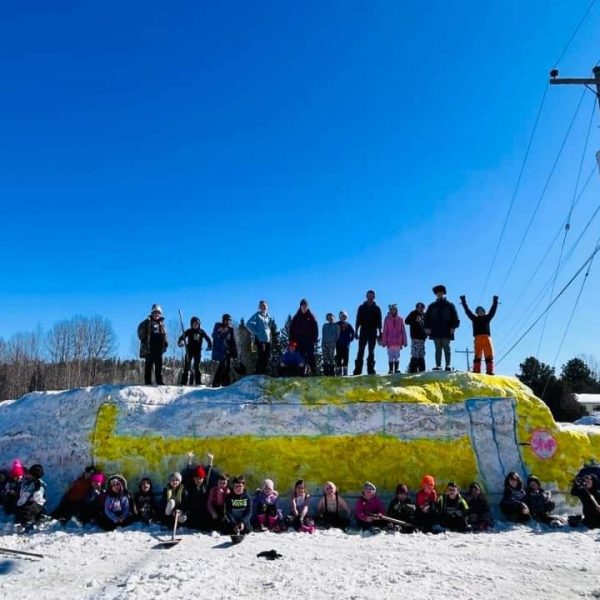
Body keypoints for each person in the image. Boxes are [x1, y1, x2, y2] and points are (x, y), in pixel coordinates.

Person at [459, 295, 498, 375]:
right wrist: (463, 301)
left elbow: (493, 310)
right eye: (478, 311)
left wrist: (495, 301)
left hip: (487, 337)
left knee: (489, 353)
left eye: (481, 311)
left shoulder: (488, 317)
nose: (480, 312)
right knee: (477, 354)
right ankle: (477, 370)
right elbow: (467, 311)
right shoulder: (474, 319)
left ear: (484, 311)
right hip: (477, 337)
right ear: (476, 313)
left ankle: (489, 370)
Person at [424, 285, 460, 371]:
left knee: (446, 347)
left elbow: (455, 317)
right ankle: (438, 365)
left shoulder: (450, 305)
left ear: (444, 293)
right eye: (437, 293)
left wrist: (454, 327)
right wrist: (427, 327)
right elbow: (426, 318)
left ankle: (448, 365)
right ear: (436, 295)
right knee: (437, 348)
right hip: (435, 330)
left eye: (441, 293)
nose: (439, 294)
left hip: (447, 329)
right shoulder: (432, 306)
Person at [137, 304, 168, 385]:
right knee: (148, 364)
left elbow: (165, 334)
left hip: (159, 347)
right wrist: (143, 339)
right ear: (152, 313)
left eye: (158, 313)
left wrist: (166, 342)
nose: (156, 315)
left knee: (159, 365)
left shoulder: (162, 324)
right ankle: (148, 381)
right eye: (155, 313)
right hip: (149, 347)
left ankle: (159, 381)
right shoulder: (147, 322)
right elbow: (140, 329)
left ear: (160, 314)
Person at [353, 290, 383, 375]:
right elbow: (358, 319)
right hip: (363, 330)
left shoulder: (377, 308)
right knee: (360, 350)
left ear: (374, 297)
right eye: (369, 296)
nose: (370, 297)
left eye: (372, 296)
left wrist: (380, 333)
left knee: (371, 351)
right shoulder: (361, 307)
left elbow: (379, 321)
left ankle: (371, 370)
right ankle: (357, 370)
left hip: (372, 331)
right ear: (366, 296)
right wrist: (356, 331)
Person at [178, 317, 212, 385]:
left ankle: (198, 382)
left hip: (197, 352)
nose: (195, 325)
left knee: (197, 367)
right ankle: (183, 382)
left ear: (199, 324)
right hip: (189, 351)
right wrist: (180, 342)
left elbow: (208, 338)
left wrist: (210, 345)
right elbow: (181, 337)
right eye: (194, 323)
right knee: (187, 366)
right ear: (191, 324)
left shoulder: (201, 331)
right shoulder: (189, 331)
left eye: (197, 323)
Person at [246, 300, 277, 375]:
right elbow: (248, 324)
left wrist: (271, 337)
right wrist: (256, 332)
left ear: (267, 307)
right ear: (259, 307)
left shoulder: (269, 317)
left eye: (265, 306)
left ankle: (264, 373)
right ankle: (258, 372)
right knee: (261, 356)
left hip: (268, 340)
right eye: (262, 306)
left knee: (267, 357)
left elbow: (270, 328)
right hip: (260, 340)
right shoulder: (257, 315)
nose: (263, 307)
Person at [290, 299, 319, 375]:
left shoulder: (311, 316)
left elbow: (315, 328)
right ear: (300, 306)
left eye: (305, 305)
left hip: (309, 341)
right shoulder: (296, 317)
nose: (304, 307)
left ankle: (313, 372)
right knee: (300, 357)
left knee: (311, 356)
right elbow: (292, 330)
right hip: (298, 341)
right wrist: (292, 342)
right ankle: (301, 372)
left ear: (307, 306)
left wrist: (314, 339)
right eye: (303, 305)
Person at [15, 464, 46, 530]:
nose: (28, 475)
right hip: (31, 502)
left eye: (30, 474)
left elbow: (38, 498)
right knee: (20, 511)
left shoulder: (38, 484)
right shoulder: (29, 482)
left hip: (37, 504)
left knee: (27, 511)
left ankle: (27, 525)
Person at [211, 314, 238, 387]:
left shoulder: (231, 330)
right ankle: (216, 382)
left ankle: (226, 383)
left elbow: (233, 342)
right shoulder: (218, 325)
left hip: (228, 351)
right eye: (226, 320)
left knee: (227, 367)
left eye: (229, 321)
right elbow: (213, 335)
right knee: (223, 365)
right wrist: (220, 331)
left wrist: (235, 355)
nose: (227, 322)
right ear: (223, 321)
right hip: (220, 350)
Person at [381, 304, 408, 374]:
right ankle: (390, 369)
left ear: (396, 310)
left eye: (395, 310)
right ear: (390, 310)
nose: (393, 311)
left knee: (397, 356)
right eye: (392, 310)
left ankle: (396, 369)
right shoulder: (387, 319)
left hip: (398, 341)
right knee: (390, 355)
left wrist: (405, 342)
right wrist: (383, 342)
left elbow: (403, 330)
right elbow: (385, 330)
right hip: (390, 341)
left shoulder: (400, 319)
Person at [185, 465, 212, 530]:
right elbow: (188, 473)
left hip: (202, 510)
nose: (198, 480)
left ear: (203, 478)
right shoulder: (191, 485)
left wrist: (211, 461)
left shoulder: (205, 485)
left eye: (200, 478)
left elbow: (208, 473)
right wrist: (189, 462)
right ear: (193, 478)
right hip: (192, 509)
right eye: (196, 478)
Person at [405, 302, 427, 373]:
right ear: (416, 308)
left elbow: (427, 325)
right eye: (418, 307)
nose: (420, 309)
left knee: (421, 354)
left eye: (421, 307)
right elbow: (406, 321)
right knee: (415, 354)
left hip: (422, 338)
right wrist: (414, 320)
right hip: (415, 337)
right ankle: (412, 370)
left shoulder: (424, 315)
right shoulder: (413, 313)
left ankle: (422, 370)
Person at [335, 311, 355, 376]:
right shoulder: (336, 324)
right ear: (339, 317)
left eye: (344, 316)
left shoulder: (348, 325)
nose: (343, 318)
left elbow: (353, 333)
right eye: (342, 316)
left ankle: (345, 370)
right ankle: (338, 369)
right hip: (338, 344)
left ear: (346, 317)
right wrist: (334, 340)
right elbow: (333, 332)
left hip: (346, 344)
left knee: (346, 358)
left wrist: (350, 339)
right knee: (339, 357)